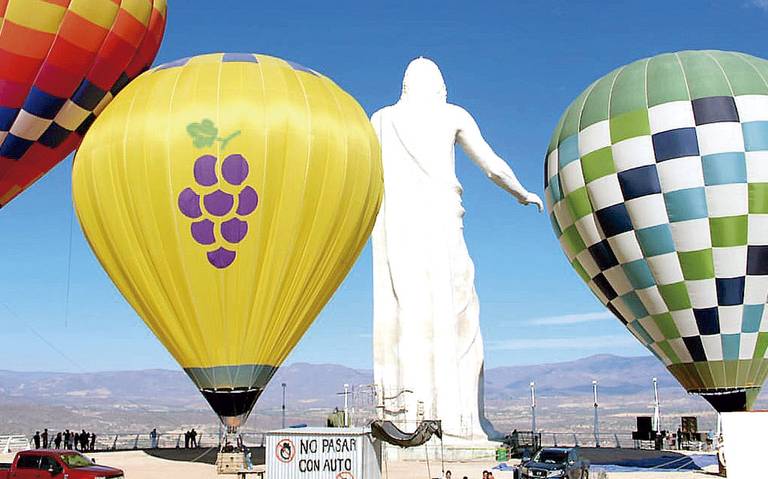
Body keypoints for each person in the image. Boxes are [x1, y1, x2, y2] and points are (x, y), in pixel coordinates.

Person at [371, 57, 542, 442]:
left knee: (405, 309)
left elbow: (361, 170)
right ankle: (456, 415)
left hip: (395, 224)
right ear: (439, 87)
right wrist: (521, 193)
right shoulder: (451, 115)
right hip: (441, 220)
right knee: (458, 310)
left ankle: (407, 410)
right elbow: (492, 165)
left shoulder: (379, 119)